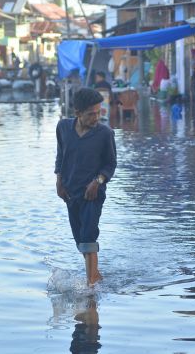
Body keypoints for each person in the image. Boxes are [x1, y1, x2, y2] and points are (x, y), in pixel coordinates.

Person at [55, 88, 117, 286]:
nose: (96, 117)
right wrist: (59, 181)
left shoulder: (105, 134)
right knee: (80, 241)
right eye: (91, 114)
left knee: (89, 235)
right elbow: (60, 155)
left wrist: (97, 182)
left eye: (99, 112)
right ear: (77, 113)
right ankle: (95, 274)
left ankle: (91, 286)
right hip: (70, 193)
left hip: (93, 194)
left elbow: (110, 165)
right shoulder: (63, 128)